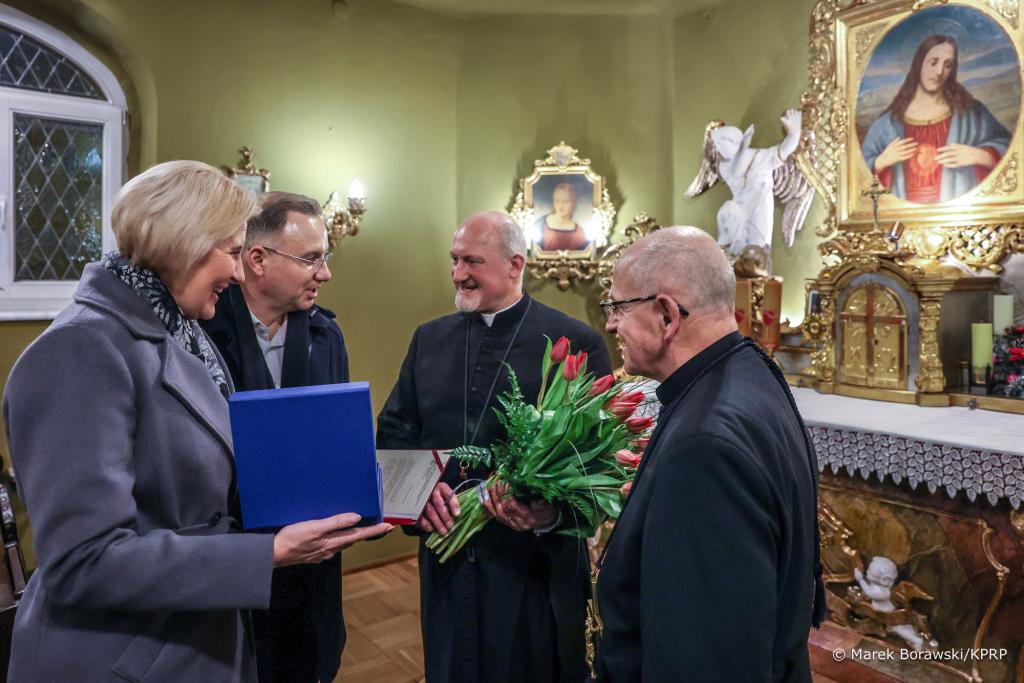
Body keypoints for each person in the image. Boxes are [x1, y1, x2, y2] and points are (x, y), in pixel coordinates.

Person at [2, 161, 391, 682]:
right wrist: (267, 553)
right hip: (125, 658)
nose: (239, 274)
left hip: (192, 640)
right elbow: (83, 565)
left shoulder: (182, 333)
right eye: (231, 252)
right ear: (184, 243)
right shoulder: (78, 350)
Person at [377, 211, 612, 682]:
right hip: (446, 556)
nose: (458, 273)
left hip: (532, 566)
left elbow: (598, 463)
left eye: (472, 262)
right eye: (454, 260)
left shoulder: (576, 341)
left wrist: (550, 515)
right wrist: (420, 494)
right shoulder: (428, 339)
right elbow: (395, 431)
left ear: (514, 265)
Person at [593, 227, 824, 682]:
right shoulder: (749, 369)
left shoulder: (703, 448)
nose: (610, 325)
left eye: (618, 307)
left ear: (666, 315)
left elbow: (704, 656)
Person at [200, 191, 348, 683]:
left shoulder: (328, 335)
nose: (325, 274)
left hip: (313, 577)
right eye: (311, 259)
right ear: (257, 259)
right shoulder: (199, 334)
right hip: (235, 570)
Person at [860, 34, 1012, 204]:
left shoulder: (971, 114)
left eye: (948, 65)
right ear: (919, 64)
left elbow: (1012, 152)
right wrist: (880, 163)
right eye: (933, 62)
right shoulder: (887, 125)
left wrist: (982, 156)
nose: (939, 72)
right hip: (904, 215)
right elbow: (857, 179)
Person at [535, 182, 590, 251]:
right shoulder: (541, 224)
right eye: (557, 201)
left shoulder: (579, 231)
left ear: (573, 203)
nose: (561, 206)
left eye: (565, 202)